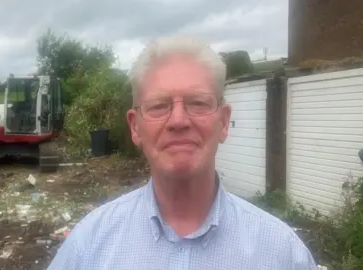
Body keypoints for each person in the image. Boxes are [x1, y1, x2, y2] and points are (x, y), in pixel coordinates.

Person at [47, 36, 318, 270]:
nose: (178, 121)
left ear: (223, 122)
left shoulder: (283, 254)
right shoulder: (89, 245)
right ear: (135, 127)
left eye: (198, 103)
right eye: (158, 105)